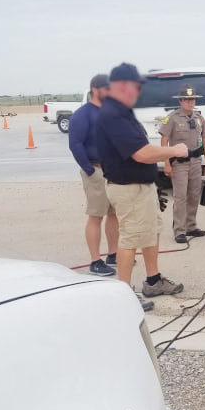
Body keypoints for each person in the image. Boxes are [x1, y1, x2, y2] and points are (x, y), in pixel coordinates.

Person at [95, 63, 188, 309]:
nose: (138, 92)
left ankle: (153, 280)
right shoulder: (113, 115)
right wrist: (174, 150)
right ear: (122, 86)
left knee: (150, 232)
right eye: (136, 86)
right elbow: (141, 154)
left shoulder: (122, 112)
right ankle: (123, 295)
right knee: (131, 238)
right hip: (128, 188)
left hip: (141, 187)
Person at [68, 73, 119, 277]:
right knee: (96, 215)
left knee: (114, 214)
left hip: (113, 170)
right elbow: (75, 144)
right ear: (95, 89)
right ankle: (95, 260)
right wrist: (89, 170)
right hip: (95, 170)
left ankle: (113, 254)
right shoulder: (83, 114)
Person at [160, 85, 205, 244]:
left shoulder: (199, 118)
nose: (190, 103)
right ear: (181, 101)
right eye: (187, 100)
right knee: (180, 196)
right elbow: (164, 141)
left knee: (194, 195)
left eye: (193, 100)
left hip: (196, 162)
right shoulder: (172, 118)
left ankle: (191, 226)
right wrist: (166, 163)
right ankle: (179, 230)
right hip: (180, 164)